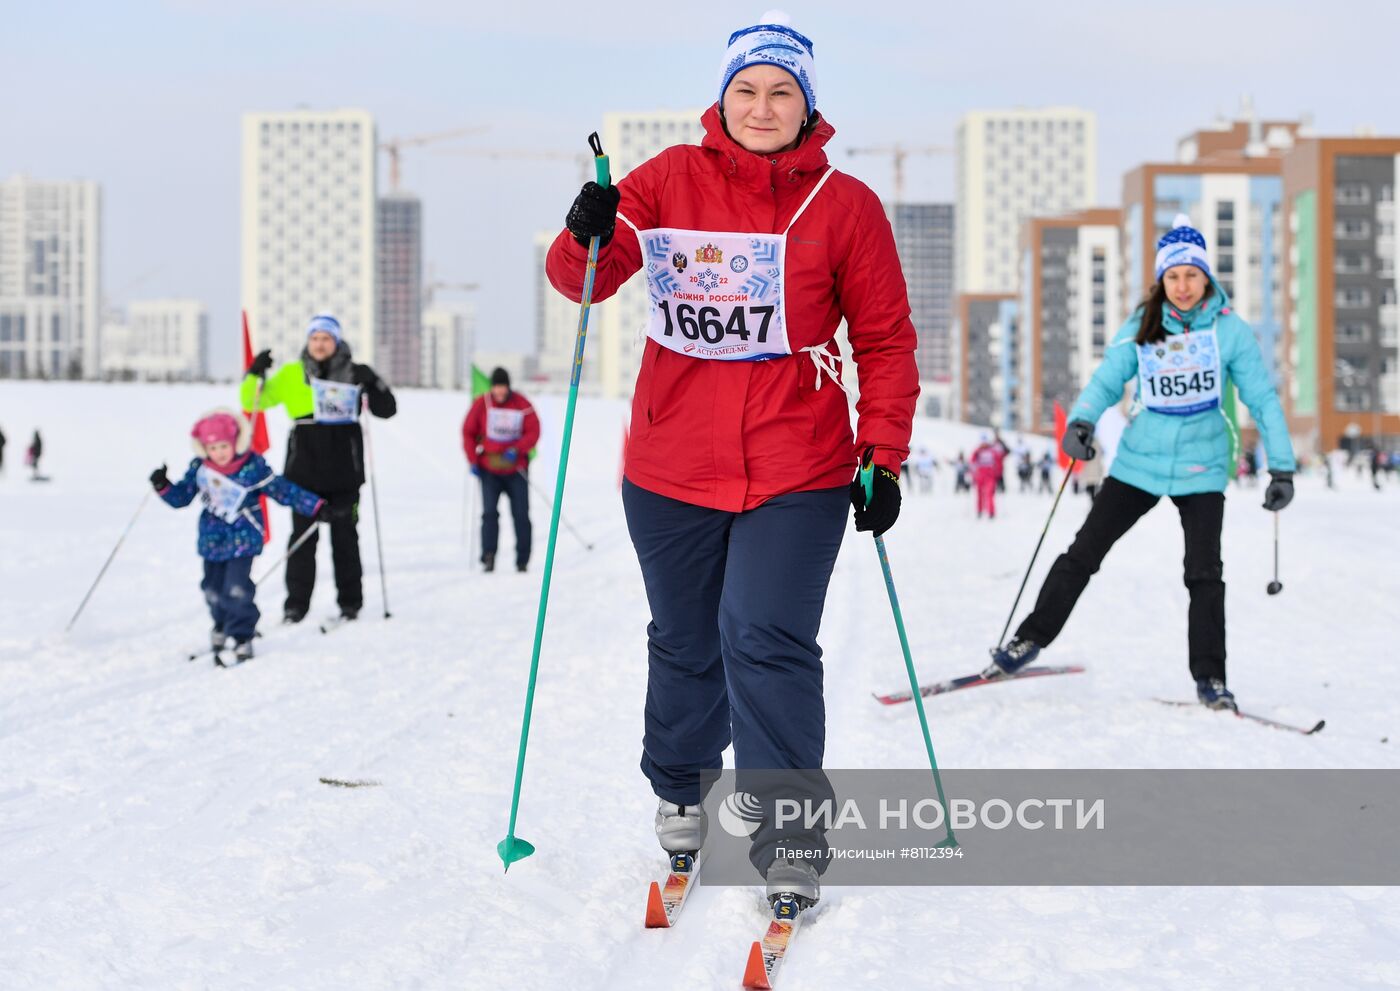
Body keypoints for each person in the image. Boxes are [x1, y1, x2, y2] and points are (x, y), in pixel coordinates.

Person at [545, 11, 917, 910]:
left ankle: (789, 835)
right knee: (685, 638)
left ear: (807, 106)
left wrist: (884, 454)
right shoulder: (669, 175)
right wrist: (585, 229)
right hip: (670, 462)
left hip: (798, 464)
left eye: (781, 91)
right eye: (746, 89)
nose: (762, 106)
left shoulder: (847, 205)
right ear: (722, 98)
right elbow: (584, 278)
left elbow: (885, 340)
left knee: (765, 636)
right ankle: (682, 789)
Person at [986, 216, 1296, 710]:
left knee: (1204, 574)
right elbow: (1108, 379)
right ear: (1161, 280)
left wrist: (1281, 467)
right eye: (1173, 276)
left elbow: (1262, 397)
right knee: (1083, 552)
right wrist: (1082, 421)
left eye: (1192, 275)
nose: (1183, 286)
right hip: (1139, 463)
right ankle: (1028, 640)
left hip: (1201, 466)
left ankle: (1211, 679)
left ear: (1207, 277)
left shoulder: (1229, 331)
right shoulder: (1143, 325)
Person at [241, 314, 396, 624]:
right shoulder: (291, 373)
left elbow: (387, 410)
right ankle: (296, 606)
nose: (320, 344)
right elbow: (252, 401)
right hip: (304, 473)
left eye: (326, 338)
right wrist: (254, 373)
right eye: (315, 338)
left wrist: (373, 382)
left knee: (345, 539)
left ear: (336, 341)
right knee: (302, 540)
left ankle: (350, 603)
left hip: (344, 472)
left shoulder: (353, 372)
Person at [150, 410, 327, 662]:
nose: (219, 453)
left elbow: (282, 489)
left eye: (224, 446)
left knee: (236, 588)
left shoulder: (252, 467)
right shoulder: (201, 469)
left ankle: (242, 634)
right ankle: (221, 624)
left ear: (236, 442)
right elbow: (182, 497)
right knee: (212, 589)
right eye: (212, 448)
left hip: (244, 539)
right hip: (212, 540)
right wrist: (163, 486)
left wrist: (315, 506)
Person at [461, 367, 540, 572]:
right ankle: (488, 556)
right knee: (489, 514)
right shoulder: (482, 404)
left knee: (521, 515)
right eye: (496, 387)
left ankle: (522, 560)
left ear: (508, 387)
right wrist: (473, 461)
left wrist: (518, 448)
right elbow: (468, 432)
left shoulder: (522, 404)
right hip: (489, 469)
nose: (500, 391)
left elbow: (534, 430)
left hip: (516, 469)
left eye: (503, 387)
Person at [970, 433, 1004, 519]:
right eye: (982, 442)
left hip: (990, 475)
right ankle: (980, 511)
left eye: (985, 442)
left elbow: (998, 462)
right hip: (980, 475)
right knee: (980, 494)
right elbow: (972, 463)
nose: (983, 444)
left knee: (989, 493)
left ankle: (991, 512)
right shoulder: (977, 451)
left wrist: (998, 474)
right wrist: (973, 475)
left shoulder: (992, 451)